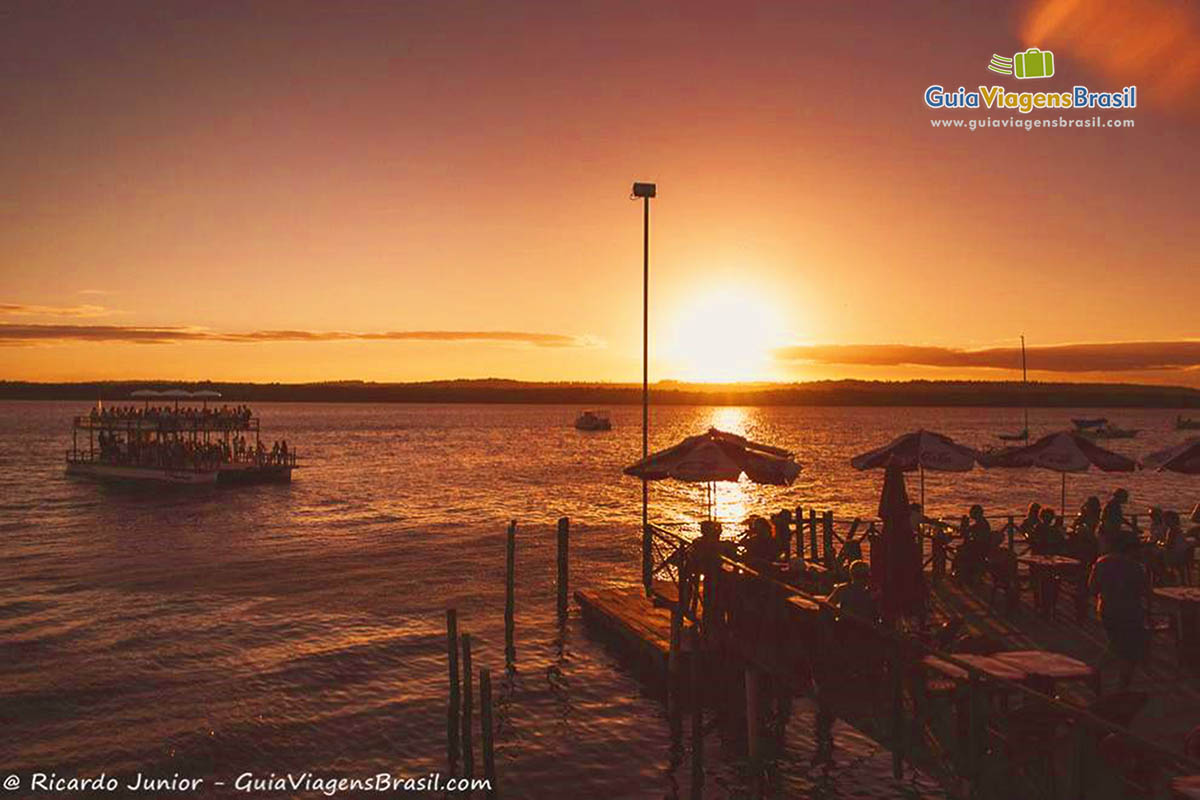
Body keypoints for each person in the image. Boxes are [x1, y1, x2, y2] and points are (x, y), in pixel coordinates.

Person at [1089, 532, 1149, 690]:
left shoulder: (1101, 562)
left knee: (1116, 644)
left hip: (1107, 609)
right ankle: (1115, 680)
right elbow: (1144, 590)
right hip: (1130, 612)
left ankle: (1099, 674)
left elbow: (1092, 588)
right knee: (1127, 648)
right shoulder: (1135, 567)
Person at [954, 505, 992, 585]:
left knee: (960, 552)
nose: (970, 514)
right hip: (981, 547)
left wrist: (964, 524)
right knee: (961, 549)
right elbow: (967, 533)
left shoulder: (980, 524)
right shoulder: (982, 522)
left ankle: (962, 575)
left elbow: (965, 533)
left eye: (971, 512)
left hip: (979, 549)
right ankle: (965, 575)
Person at [1101, 488, 1134, 553]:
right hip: (1110, 532)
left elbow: (1120, 519)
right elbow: (1120, 519)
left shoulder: (1113, 504)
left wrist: (1132, 526)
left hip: (1111, 530)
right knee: (1131, 537)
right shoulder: (1114, 505)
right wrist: (1133, 527)